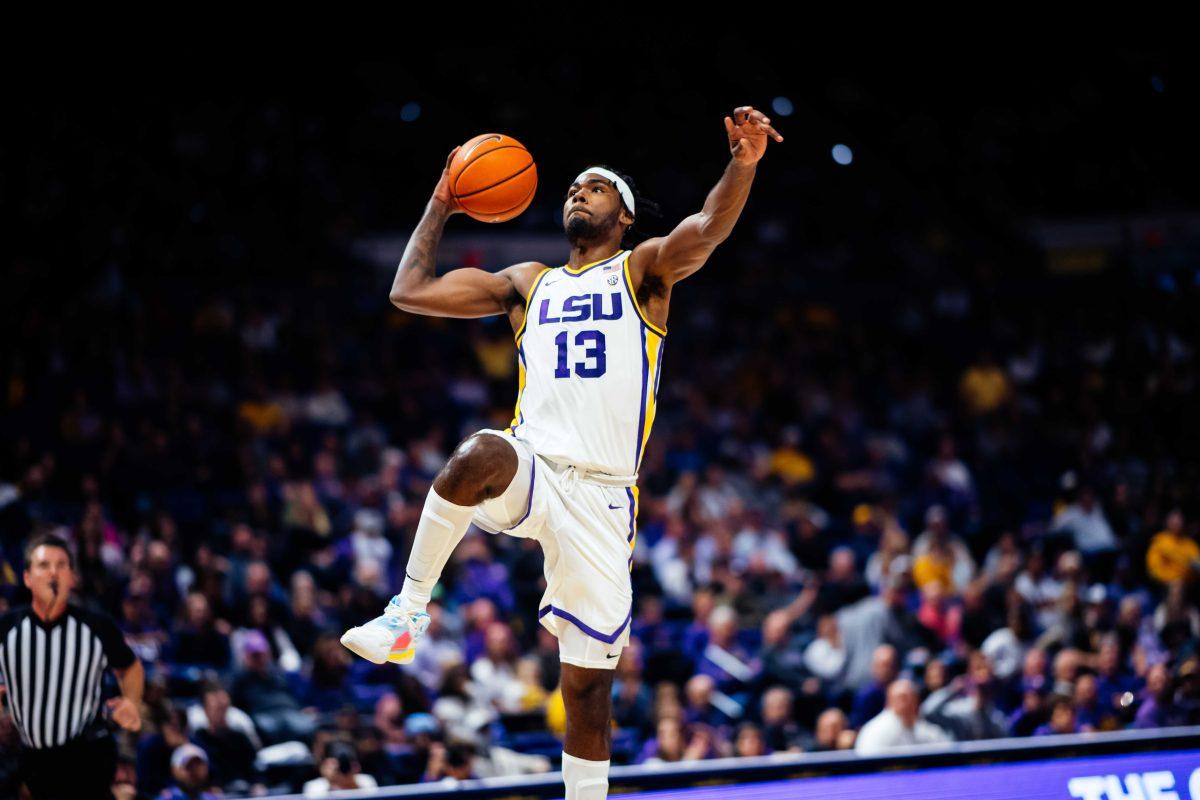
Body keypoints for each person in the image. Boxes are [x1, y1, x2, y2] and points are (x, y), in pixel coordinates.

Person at [340, 105, 783, 800]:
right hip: (536, 469)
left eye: (596, 187)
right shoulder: (527, 283)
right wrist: (440, 200)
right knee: (479, 452)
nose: (579, 191)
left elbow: (708, 227)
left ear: (625, 215)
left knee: (586, 692)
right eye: (575, 185)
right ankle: (407, 612)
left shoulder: (644, 272)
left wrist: (744, 162)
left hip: (605, 497)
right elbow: (409, 291)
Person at [0, 533, 144, 799]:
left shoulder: (98, 626)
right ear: (27, 578)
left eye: (61, 565)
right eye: (44, 565)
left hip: (86, 751)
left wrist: (131, 701)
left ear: (72, 577)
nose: (53, 573)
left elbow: (130, 667)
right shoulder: (6, 629)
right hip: (30, 754)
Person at [854, 679, 951, 755]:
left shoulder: (921, 727)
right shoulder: (875, 730)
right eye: (902, 698)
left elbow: (948, 749)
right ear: (889, 702)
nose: (908, 703)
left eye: (912, 697)